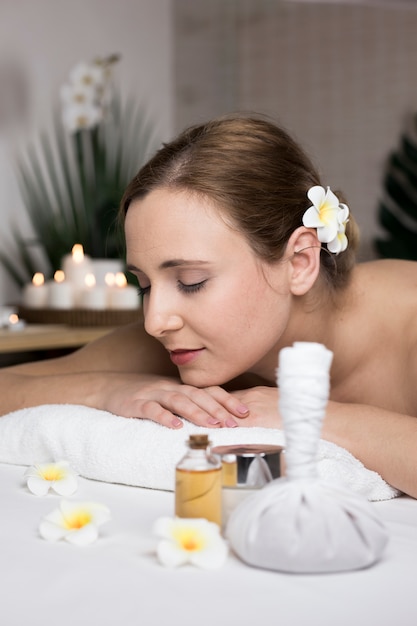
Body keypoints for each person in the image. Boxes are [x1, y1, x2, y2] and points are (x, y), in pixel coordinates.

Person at [1, 114, 417, 498]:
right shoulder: (168, 348)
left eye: (191, 282)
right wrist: (105, 388)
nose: (155, 321)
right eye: (145, 285)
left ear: (300, 262)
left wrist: (310, 418)